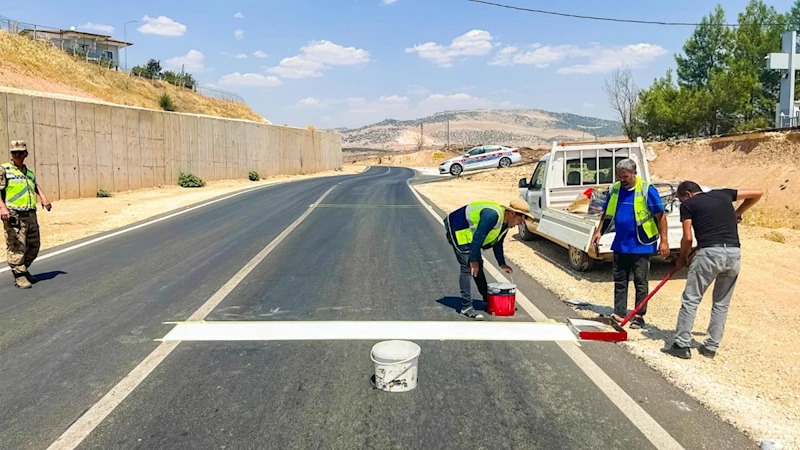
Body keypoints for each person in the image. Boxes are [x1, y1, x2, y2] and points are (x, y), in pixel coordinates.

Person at [661, 181, 762, 360]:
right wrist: (737, 212)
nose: (680, 202)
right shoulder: (723, 194)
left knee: (691, 299)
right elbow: (757, 192)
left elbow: (688, 237)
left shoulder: (688, 205)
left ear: (687, 194)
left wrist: (682, 258)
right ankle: (710, 347)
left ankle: (681, 345)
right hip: (733, 253)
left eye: (680, 198)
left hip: (709, 253)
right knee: (721, 303)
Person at [591, 158, 669, 329]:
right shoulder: (615, 189)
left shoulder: (647, 190)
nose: (622, 180)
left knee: (641, 281)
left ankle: (639, 316)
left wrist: (664, 241)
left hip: (642, 244)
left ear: (634, 173)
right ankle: (619, 313)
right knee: (620, 280)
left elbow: (660, 216)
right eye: (620, 176)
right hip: (621, 243)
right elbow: (607, 213)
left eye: (625, 176)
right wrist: (599, 232)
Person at [444, 199, 532, 320]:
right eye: (520, 220)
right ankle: (466, 308)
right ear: (512, 213)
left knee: (478, 265)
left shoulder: (505, 223)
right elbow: (479, 236)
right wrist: (473, 260)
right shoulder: (492, 215)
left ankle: (487, 299)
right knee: (468, 268)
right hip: (458, 229)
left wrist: (502, 264)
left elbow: (498, 244)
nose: (519, 224)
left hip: (472, 237)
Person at [0, 140, 52, 289]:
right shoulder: (4, 170)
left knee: (34, 245)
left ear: (26, 154)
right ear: (11, 154)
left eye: (21, 152)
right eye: (14, 152)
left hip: (30, 214)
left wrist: (43, 197)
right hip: (13, 215)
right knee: (17, 246)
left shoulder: (28, 172)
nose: (18, 154)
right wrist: (2, 208)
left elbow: (34, 184)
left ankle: (22, 269)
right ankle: (20, 276)